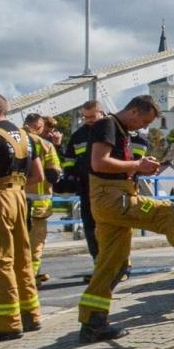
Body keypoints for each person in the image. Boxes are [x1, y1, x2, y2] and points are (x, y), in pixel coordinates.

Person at [77, 95, 174, 343]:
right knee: (171, 213)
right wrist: (137, 164)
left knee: (112, 265)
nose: (143, 128)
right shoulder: (108, 125)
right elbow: (99, 162)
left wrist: (137, 166)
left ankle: (93, 322)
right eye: (144, 121)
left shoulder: (120, 130)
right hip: (113, 198)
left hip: (112, 199)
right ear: (134, 111)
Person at [0, 93, 43, 347]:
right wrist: (14, 186)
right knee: (21, 258)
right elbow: (37, 175)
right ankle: (30, 315)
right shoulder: (26, 138)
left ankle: (7, 325)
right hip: (18, 197)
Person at [22, 114, 63, 285]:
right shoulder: (45, 145)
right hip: (39, 205)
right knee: (35, 245)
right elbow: (54, 175)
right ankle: (29, 279)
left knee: (14, 242)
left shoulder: (12, 141)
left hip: (14, 201)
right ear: (39, 126)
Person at [65, 100, 104, 259]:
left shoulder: (113, 130)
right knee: (90, 228)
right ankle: (98, 264)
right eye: (85, 117)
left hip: (108, 188)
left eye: (92, 116)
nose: (89, 120)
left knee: (112, 227)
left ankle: (118, 265)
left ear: (102, 113)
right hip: (86, 190)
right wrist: (70, 177)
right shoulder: (78, 135)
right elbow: (69, 160)